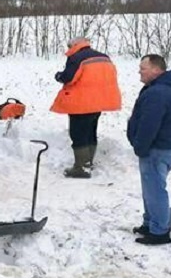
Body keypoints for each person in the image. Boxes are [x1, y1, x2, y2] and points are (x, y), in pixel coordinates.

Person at [127, 54, 171, 246]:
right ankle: (150, 223)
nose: (139, 71)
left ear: (156, 70)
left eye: (143, 68)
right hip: (165, 146)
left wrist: (140, 146)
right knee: (150, 188)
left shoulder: (158, 92)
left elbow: (149, 124)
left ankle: (160, 231)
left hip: (157, 148)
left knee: (155, 190)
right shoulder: (168, 88)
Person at [50, 37, 122, 178]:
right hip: (100, 101)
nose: (68, 49)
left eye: (69, 46)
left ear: (74, 45)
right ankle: (88, 162)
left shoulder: (76, 58)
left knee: (78, 134)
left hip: (81, 102)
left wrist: (59, 76)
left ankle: (81, 168)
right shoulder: (104, 57)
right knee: (90, 131)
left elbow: (69, 78)